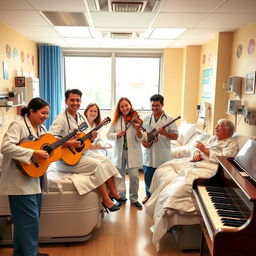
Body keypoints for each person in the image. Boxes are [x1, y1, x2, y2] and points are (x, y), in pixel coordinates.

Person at [145, 119, 239, 250]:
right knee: (163, 168)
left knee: (181, 185)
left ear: (227, 130)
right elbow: (197, 146)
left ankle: (166, 213)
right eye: (216, 124)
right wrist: (196, 153)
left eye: (220, 125)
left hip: (212, 168)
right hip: (198, 162)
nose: (216, 127)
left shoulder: (232, 143)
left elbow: (225, 158)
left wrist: (205, 151)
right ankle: (160, 213)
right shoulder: (213, 139)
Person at [49, 89, 125, 212]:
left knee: (106, 161)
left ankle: (113, 192)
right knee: (97, 165)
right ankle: (106, 199)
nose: (75, 103)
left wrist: (91, 137)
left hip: (80, 153)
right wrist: (69, 142)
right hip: (66, 159)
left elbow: (83, 139)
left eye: (77, 100)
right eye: (72, 100)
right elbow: (51, 139)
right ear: (66, 101)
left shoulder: (80, 117)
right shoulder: (60, 119)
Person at [0, 98, 50, 256]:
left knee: (26, 221)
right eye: (43, 113)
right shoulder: (18, 125)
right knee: (29, 221)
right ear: (32, 112)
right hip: (19, 181)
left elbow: (48, 143)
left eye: (47, 113)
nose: (45, 116)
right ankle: (31, 253)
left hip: (35, 177)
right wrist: (33, 153)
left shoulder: (40, 128)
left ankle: (23, 252)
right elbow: (5, 147)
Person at [107, 97, 143, 210]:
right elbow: (108, 135)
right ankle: (121, 198)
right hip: (120, 152)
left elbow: (142, 138)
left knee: (134, 177)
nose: (124, 108)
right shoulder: (116, 120)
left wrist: (137, 129)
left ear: (130, 105)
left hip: (133, 152)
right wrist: (117, 134)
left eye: (126, 105)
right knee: (120, 177)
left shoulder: (137, 120)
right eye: (122, 106)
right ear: (119, 108)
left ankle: (134, 199)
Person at [141, 94, 178, 204]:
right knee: (148, 177)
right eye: (152, 106)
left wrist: (165, 133)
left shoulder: (169, 119)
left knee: (162, 178)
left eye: (157, 106)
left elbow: (176, 136)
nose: (154, 108)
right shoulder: (146, 119)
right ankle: (148, 195)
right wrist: (143, 142)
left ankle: (161, 197)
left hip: (163, 154)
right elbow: (141, 135)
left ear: (162, 105)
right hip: (149, 153)